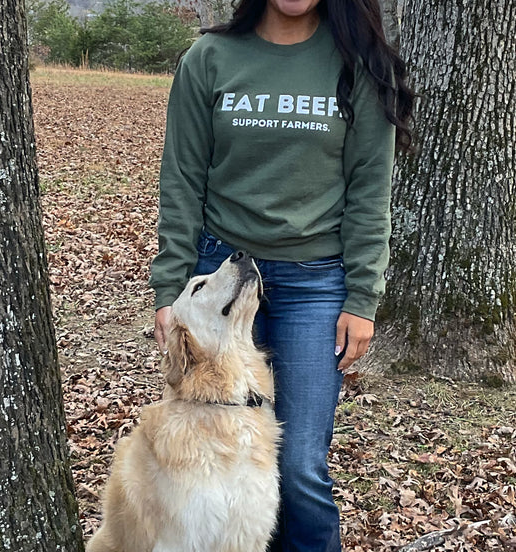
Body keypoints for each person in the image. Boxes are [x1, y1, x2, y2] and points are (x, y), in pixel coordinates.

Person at [149, 1, 414, 550]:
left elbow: (370, 192)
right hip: (222, 277)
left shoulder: (357, 65)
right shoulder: (210, 57)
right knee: (223, 465)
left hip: (313, 285)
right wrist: (170, 285)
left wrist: (362, 296)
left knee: (297, 471)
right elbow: (181, 180)